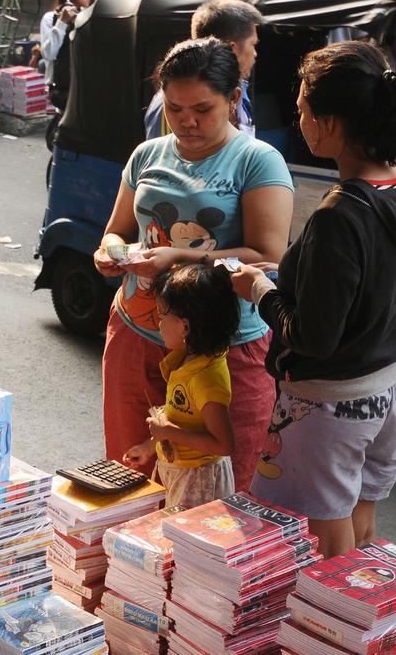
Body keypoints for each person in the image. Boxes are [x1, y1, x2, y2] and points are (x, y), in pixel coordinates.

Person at [230, 41, 396, 558]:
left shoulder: (339, 216)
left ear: (330, 123)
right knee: (360, 513)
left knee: (325, 538)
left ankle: (331, 630)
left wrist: (259, 290)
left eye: (302, 110)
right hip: (392, 386)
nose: (298, 120)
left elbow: (313, 336)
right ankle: (357, 624)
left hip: (334, 402)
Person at [95, 38, 293, 492]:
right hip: (138, 332)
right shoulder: (147, 154)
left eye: (202, 109)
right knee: (131, 479)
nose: (186, 121)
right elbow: (116, 229)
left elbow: (269, 257)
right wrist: (112, 254)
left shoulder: (257, 161)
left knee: (219, 493)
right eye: (174, 108)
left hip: (223, 350)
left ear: (234, 98)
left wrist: (182, 256)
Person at [123, 263, 239, 509]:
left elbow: (224, 444)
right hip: (182, 472)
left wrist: (167, 433)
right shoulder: (188, 360)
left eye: (162, 316)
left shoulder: (206, 379)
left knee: (190, 543)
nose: (158, 323)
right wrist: (150, 446)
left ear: (185, 326)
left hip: (200, 481)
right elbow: (183, 413)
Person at [144, 0, 262, 139]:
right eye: (252, 44)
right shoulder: (171, 100)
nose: (255, 53)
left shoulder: (239, 91)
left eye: (202, 109)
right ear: (231, 49)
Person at [39, 0, 91, 110]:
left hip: (85, 87)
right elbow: (48, 54)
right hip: (62, 89)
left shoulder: (88, 18)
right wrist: (61, 23)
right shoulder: (50, 19)